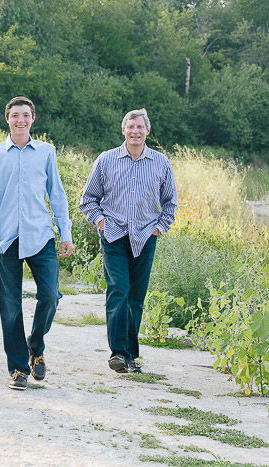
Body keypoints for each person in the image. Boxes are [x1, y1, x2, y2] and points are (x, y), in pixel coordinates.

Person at [0, 96, 74, 391]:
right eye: (15, 115)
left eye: (25, 115)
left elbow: (56, 193)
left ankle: (35, 345)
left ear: (33, 119)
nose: (20, 120)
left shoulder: (45, 152)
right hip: (6, 239)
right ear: (7, 119)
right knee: (10, 306)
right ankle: (18, 368)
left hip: (40, 235)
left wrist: (65, 231)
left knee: (50, 295)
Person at [79, 108, 177, 374]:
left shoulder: (160, 162)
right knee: (118, 290)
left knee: (136, 297)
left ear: (147, 131)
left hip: (145, 237)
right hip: (114, 235)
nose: (135, 132)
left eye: (140, 127)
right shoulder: (107, 160)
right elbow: (88, 199)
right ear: (123, 130)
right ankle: (118, 353)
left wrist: (159, 227)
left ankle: (131, 354)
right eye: (130, 127)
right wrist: (101, 222)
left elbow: (170, 203)